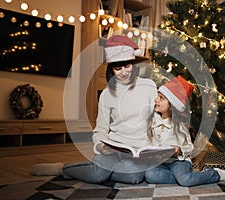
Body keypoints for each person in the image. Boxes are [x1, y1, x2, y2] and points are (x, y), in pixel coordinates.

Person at [31, 35, 158, 184]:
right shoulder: (106, 94)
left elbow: (157, 119)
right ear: (111, 69)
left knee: (133, 177)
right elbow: (101, 128)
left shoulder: (148, 86)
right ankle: (62, 168)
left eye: (127, 66)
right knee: (98, 175)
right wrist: (100, 145)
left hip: (138, 150)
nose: (124, 72)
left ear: (133, 64)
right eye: (118, 68)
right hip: (114, 148)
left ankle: (103, 168)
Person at [145, 75, 225, 186]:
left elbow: (189, 147)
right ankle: (180, 177)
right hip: (159, 162)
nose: (156, 100)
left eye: (161, 98)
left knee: (186, 181)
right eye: (158, 96)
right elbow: (148, 140)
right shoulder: (152, 120)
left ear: (172, 106)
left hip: (178, 162)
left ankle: (215, 174)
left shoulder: (179, 125)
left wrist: (179, 150)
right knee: (150, 175)